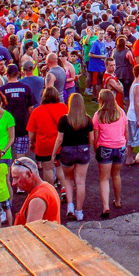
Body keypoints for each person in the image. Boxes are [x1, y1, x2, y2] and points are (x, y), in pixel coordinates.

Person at [52, 93, 94, 221]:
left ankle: (70, 205)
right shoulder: (87, 119)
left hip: (67, 151)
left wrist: (54, 153)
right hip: (83, 149)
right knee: (80, 182)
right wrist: (88, 147)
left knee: (68, 179)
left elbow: (60, 139)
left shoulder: (64, 120)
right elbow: (91, 138)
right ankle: (79, 211)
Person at [93, 88, 128, 219]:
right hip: (120, 146)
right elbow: (126, 131)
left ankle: (106, 206)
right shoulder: (121, 113)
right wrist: (125, 143)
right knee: (116, 175)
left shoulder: (98, 115)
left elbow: (96, 136)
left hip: (105, 147)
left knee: (104, 178)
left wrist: (95, 148)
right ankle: (118, 201)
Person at [11, 156, 61, 225]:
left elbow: (32, 233)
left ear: (28, 175)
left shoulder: (37, 199)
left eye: (16, 178)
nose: (13, 183)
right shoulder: (47, 187)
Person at [0, 64, 34, 157]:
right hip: (22, 126)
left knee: (5, 154)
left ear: (7, 75)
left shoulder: (2, 90)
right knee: (21, 155)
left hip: (6, 127)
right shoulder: (26, 88)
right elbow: (30, 108)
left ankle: (8, 170)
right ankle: (19, 170)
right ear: (18, 74)